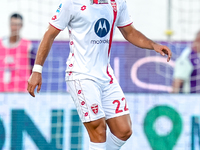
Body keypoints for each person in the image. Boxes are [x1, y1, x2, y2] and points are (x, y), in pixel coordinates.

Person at [27, 0, 172, 149]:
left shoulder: (117, 2)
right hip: (81, 75)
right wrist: (37, 70)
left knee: (123, 130)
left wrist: (153, 45)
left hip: (105, 75)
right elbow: (49, 34)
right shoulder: (71, 3)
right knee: (98, 129)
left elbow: (130, 32)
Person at [0, 13, 33, 92]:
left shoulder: (27, 45)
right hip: (2, 90)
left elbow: (32, 68)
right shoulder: (1, 44)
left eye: (18, 24)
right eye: (13, 24)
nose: (15, 27)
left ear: (21, 26)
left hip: (21, 90)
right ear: (9, 25)